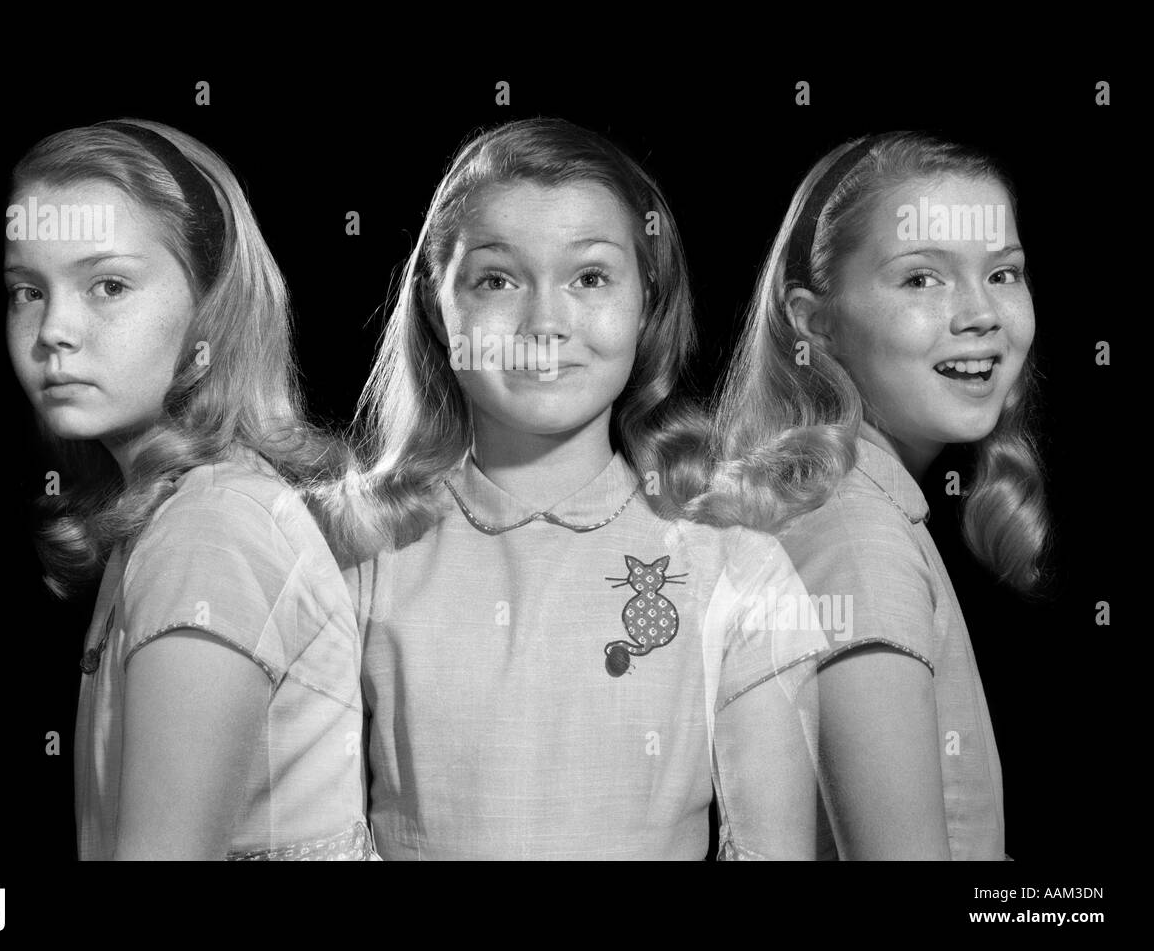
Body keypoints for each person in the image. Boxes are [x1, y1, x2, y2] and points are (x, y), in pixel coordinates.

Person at [319, 117, 825, 860]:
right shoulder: (353, 547)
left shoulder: (735, 563)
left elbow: (772, 852)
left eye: (589, 278)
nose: (545, 323)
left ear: (648, 299)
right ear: (435, 300)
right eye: (496, 279)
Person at [4, 119, 375, 860]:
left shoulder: (208, 533)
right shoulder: (179, 509)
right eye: (26, 291)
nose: (54, 330)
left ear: (212, 305)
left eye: (108, 284)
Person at [707, 131, 1047, 859]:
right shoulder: (856, 537)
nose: (980, 313)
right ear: (814, 323)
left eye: (1005, 273)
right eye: (922, 279)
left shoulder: (851, 505)